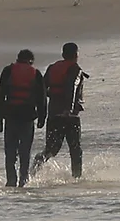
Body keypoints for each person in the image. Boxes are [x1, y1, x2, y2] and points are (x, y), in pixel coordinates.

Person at [33, 43, 88, 179]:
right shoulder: (75, 69)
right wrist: (69, 109)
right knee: (75, 150)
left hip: (54, 115)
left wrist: (50, 99)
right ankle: (77, 178)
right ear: (76, 55)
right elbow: (72, 87)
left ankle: (32, 172)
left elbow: (42, 88)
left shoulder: (52, 68)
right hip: (70, 116)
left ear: (63, 55)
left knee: (51, 149)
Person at [0, 49, 47, 187]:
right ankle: (23, 179)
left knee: (10, 151)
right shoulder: (36, 73)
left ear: (18, 59)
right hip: (27, 117)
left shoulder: (8, 71)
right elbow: (42, 99)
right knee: (25, 151)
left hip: (10, 116)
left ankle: (11, 180)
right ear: (31, 60)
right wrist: (42, 117)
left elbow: (0, 96)